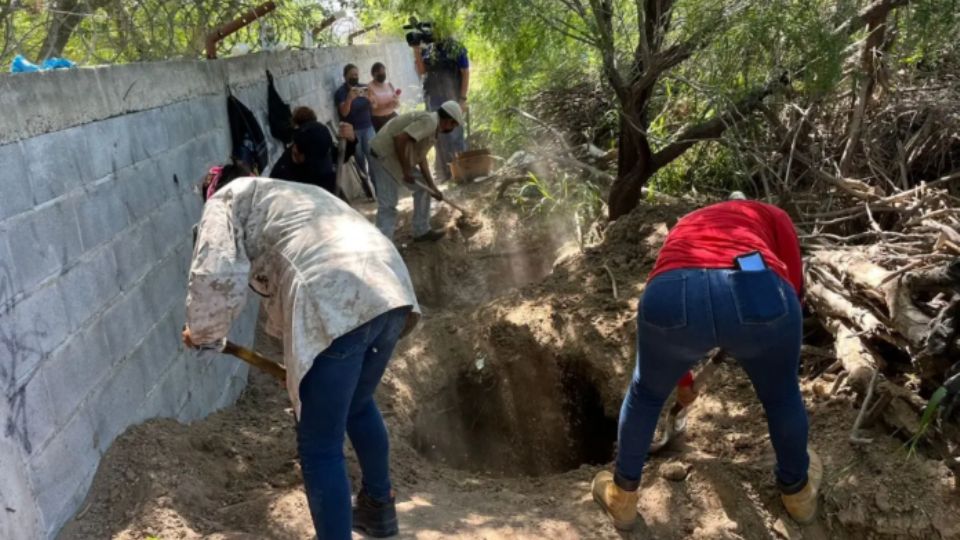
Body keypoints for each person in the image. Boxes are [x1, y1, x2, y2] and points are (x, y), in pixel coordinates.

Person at [182, 165, 421, 539]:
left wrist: (202, 333)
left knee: (319, 446)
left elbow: (215, 272)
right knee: (358, 405)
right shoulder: (292, 194)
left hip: (335, 298)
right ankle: (379, 506)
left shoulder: (224, 201)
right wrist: (300, 366)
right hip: (390, 289)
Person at [591, 199, 821, 530]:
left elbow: (680, 297)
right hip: (758, 285)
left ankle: (622, 498)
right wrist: (766, 331)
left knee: (646, 394)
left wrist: (682, 380)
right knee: (782, 395)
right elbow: (794, 283)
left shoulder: (688, 222)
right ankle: (798, 496)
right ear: (748, 208)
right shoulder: (771, 214)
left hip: (673, 291)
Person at [368, 100, 463, 242]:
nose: (453, 129)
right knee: (388, 205)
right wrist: (406, 170)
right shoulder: (430, 122)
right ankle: (383, 245)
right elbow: (399, 139)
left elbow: (421, 158)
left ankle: (421, 230)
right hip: (383, 155)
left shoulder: (433, 127)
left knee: (423, 188)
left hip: (395, 155)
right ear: (449, 121)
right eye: (454, 125)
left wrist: (432, 187)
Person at [413, 35, 469, 182]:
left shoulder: (455, 47)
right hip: (435, 102)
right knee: (439, 139)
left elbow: (465, 72)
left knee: (456, 136)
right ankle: (447, 173)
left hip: (453, 100)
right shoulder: (429, 49)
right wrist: (416, 50)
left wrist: (462, 99)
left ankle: (462, 173)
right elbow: (422, 71)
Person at [268, 120, 356, 197]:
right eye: (316, 162)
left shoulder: (319, 147)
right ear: (296, 151)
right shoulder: (282, 180)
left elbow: (340, 158)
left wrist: (351, 141)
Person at [335, 64, 377, 197]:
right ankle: (368, 191)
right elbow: (344, 113)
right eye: (352, 75)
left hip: (368, 127)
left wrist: (370, 99)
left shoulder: (364, 88)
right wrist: (349, 99)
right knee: (360, 162)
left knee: (373, 159)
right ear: (345, 76)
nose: (355, 77)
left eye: (357, 75)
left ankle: (378, 190)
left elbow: (375, 106)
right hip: (354, 132)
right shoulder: (341, 92)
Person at [368, 62, 401, 132]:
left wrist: (396, 103)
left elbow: (397, 101)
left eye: (384, 71)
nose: (383, 74)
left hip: (392, 115)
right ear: (374, 74)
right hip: (379, 119)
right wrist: (387, 105)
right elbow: (373, 106)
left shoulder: (389, 84)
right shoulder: (369, 87)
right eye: (381, 72)